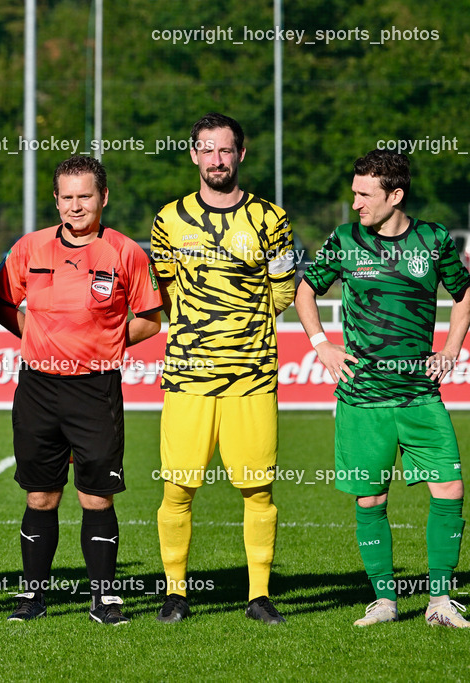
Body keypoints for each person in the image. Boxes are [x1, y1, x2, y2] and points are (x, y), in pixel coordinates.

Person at [296, 149, 470, 628]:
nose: (354, 204)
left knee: (451, 488)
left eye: (363, 194)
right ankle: (386, 601)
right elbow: (307, 289)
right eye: (353, 192)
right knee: (370, 499)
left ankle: (439, 600)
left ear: (395, 195)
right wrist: (321, 345)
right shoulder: (345, 240)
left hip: (419, 394)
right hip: (361, 398)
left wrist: (452, 347)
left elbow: (464, 292)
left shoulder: (433, 240)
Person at [0, 156, 162, 624]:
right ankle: (32, 598)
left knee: (97, 496)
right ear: (56, 200)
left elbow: (150, 318)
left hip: (95, 388)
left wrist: (106, 343)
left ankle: (104, 598)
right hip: (38, 387)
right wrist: (35, 336)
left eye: (84, 196)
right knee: (40, 496)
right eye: (66, 197)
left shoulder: (127, 252)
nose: (75, 206)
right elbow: (4, 303)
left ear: (103, 197)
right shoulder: (29, 248)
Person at [150, 112, 295, 625]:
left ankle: (258, 596)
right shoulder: (168, 219)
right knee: (177, 487)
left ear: (241, 154)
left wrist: (241, 330)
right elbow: (164, 292)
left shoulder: (271, 219)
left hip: (252, 376)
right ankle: (176, 593)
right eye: (206, 150)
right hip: (189, 375)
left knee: (257, 489)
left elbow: (282, 292)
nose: (216, 159)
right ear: (193, 155)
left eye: (225, 150)